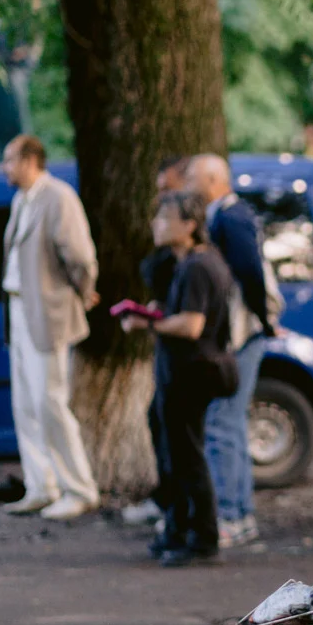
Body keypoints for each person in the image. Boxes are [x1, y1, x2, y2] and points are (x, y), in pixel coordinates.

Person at [120, 191, 235, 566]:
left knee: (187, 456)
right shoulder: (189, 264)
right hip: (183, 372)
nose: (156, 224)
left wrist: (146, 322)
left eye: (165, 219)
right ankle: (179, 528)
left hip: (192, 372)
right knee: (177, 453)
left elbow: (191, 324)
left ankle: (201, 537)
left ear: (189, 226)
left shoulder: (199, 266)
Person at [1, 134, 100, 519]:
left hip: (48, 310)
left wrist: (83, 293)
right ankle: (40, 484)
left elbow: (80, 256)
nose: (5, 167)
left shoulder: (57, 196)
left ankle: (79, 487)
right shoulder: (21, 199)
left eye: (10, 159)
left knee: (49, 400)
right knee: (25, 402)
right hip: (19, 309)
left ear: (30, 159)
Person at [185, 154, 275, 549]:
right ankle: (240, 515)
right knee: (230, 423)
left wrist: (263, 317)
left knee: (224, 422)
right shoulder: (228, 214)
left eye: (192, 176)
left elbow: (251, 273)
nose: (187, 183)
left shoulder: (231, 216)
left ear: (211, 179)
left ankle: (233, 516)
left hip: (241, 334)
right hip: (245, 332)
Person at [122, 156, 191, 531]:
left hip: (189, 360)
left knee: (183, 439)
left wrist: (157, 321)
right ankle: (174, 510)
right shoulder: (179, 261)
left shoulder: (197, 263)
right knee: (164, 424)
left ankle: (186, 519)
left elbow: (194, 323)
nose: (158, 206)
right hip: (173, 352)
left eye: (168, 189)